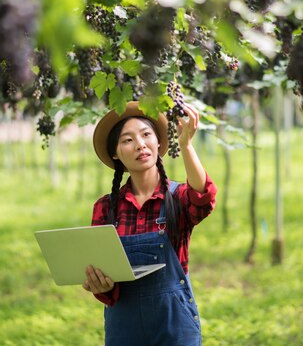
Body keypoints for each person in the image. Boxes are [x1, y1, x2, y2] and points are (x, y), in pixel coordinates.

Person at [84, 101, 217, 346]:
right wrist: (99, 284)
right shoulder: (106, 208)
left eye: (146, 135)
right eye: (127, 140)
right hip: (125, 327)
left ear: (158, 142)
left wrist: (186, 145)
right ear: (116, 153)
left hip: (174, 324)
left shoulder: (177, 198)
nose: (140, 144)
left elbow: (203, 196)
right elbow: (103, 277)